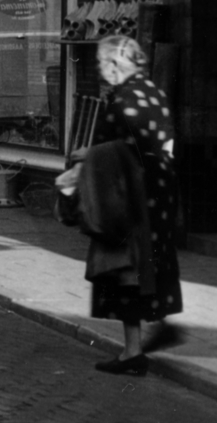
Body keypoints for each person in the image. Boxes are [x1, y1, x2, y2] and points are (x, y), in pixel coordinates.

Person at [57, 34, 183, 375]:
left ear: (115, 64)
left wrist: (84, 158)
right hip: (160, 198)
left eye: (101, 63)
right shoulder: (154, 92)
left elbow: (108, 152)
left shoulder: (121, 102)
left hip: (127, 203)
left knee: (123, 271)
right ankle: (161, 323)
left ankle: (131, 352)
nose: (99, 70)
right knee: (153, 267)